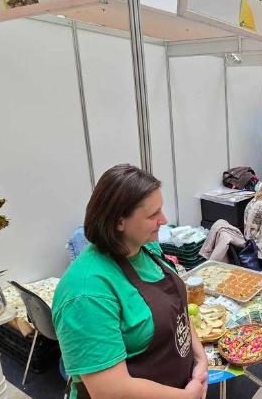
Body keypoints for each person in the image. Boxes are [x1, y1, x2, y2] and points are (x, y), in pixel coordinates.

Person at [53, 164, 208, 399]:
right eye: (152, 215)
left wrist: (199, 358)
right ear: (119, 221)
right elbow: (109, 391)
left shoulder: (146, 247)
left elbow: (180, 315)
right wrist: (187, 397)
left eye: (161, 210)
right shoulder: (86, 293)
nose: (164, 220)